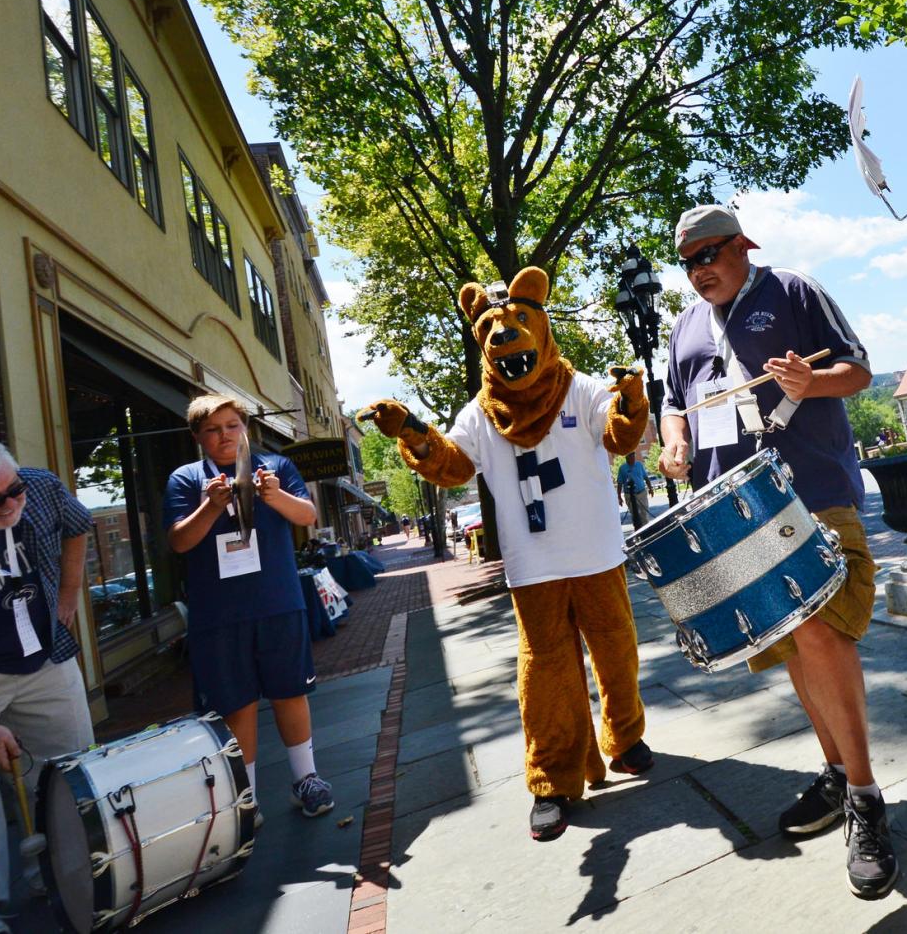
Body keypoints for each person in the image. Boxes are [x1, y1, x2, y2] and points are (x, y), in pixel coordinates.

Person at [366, 266, 655, 842]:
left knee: (617, 653)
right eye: (495, 331)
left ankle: (623, 739)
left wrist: (631, 398)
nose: (507, 337)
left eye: (521, 323)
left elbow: (620, 436)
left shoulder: (581, 387)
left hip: (597, 553)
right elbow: (451, 464)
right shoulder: (481, 412)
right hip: (535, 567)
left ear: (542, 327)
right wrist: (414, 432)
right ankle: (552, 778)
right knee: (546, 672)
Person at [659, 204, 896, 900]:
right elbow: (675, 400)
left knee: (823, 633)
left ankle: (865, 797)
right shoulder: (684, 328)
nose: (700, 270)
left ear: (742, 245)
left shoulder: (793, 291)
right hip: (732, 515)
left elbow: (857, 367)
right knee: (794, 646)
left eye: (710, 253)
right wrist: (673, 439)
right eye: (689, 261)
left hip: (808, 493)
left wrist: (810, 383)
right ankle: (835, 773)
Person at [164, 396, 336, 820]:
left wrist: (275, 497)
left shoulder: (275, 468)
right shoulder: (186, 479)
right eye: (213, 429)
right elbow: (180, 541)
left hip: (278, 602)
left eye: (232, 425)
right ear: (197, 437)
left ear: (245, 427)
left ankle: (307, 779)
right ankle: (248, 799)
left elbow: (307, 516)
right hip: (220, 614)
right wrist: (212, 505)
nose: (224, 435)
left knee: (290, 692)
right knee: (236, 705)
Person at [0, 440, 94, 934]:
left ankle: (66, 877)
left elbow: (79, 526)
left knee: (71, 772)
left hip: (46, 656)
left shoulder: (39, 487)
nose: (10, 504)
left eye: (13, 489)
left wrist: (68, 592)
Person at [616, 452, 651, 530]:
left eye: (633, 456)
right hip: (629, 495)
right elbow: (620, 483)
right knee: (635, 514)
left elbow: (646, 477)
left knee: (644, 513)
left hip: (641, 492)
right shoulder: (622, 468)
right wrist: (619, 497)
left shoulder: (639, 465)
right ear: (626, 457)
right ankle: (638, 530)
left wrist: (650, 488)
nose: (633, 458)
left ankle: (646, 530)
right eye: (631, 456)